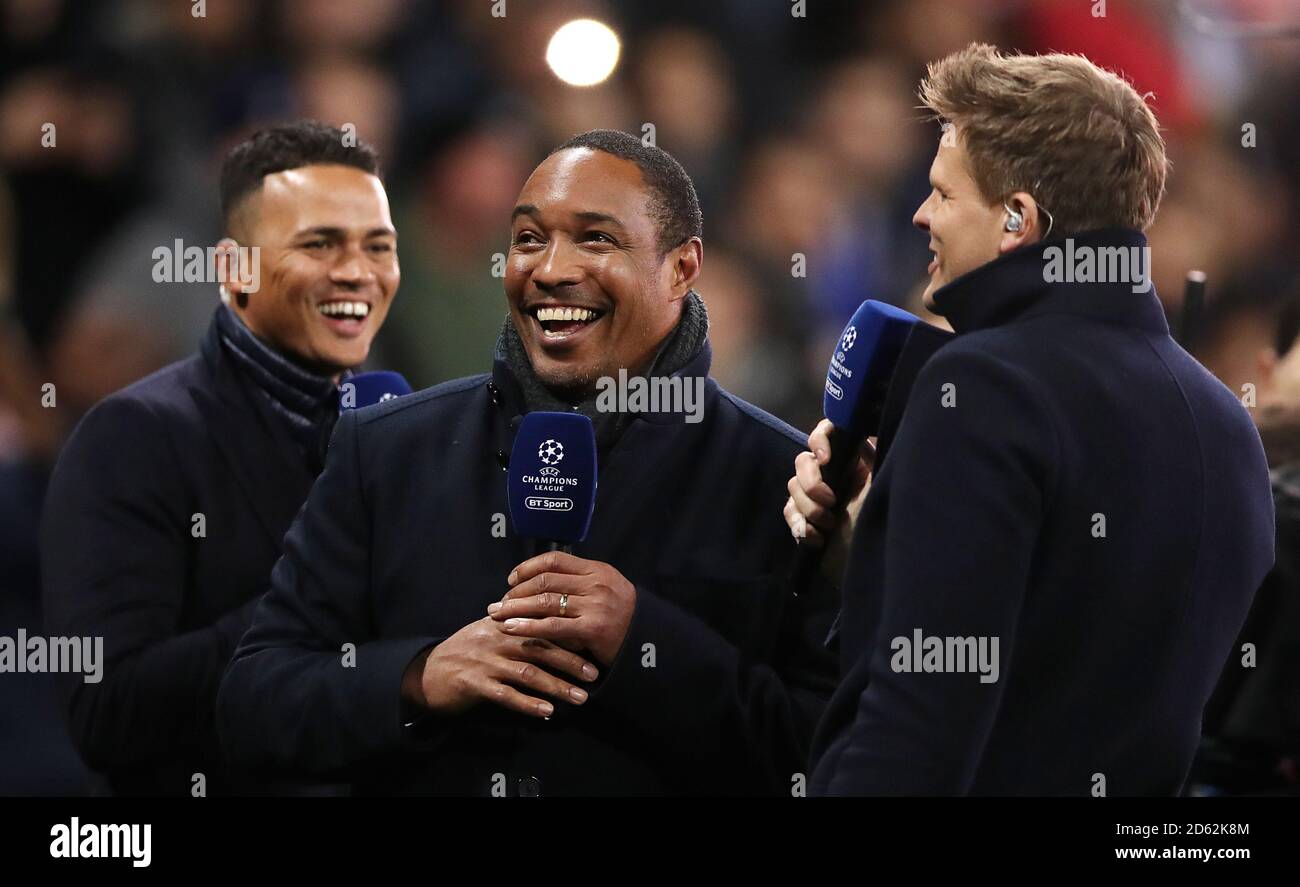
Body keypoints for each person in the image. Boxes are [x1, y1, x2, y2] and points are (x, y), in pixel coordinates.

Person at [216, 129, 838, 796]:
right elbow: (251, 704)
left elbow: (826, 754)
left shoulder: (791, 484)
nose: (550, 269)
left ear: (681, 268)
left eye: (596, 239)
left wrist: (645, 641)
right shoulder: (386, 450)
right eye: (530, 238)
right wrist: (416, 677)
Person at [784, 44, 1275, 795]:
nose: (919, 215)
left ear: (1018, 218)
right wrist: (873, 552)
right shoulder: (1228, 424)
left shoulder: (984, 384)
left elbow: (919, 725)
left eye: (943, 194)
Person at [40, 121, 400, 795]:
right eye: (319, 244)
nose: (357, 271)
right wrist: (315, 596)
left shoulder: (396, 433)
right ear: (234, 269)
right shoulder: (135, 437)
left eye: (377, 246)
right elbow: (106, 711)